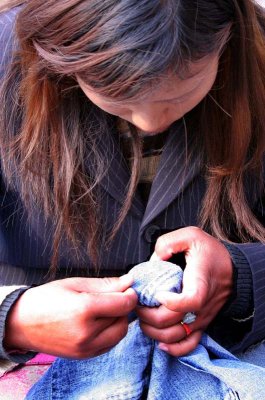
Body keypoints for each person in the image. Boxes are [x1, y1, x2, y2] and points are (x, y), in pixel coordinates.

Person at [0, 0, 265, 398]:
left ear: (226, 36)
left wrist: (243, 277)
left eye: (182, 90)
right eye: (113, 93)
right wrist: (12, 318)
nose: (149, 123)